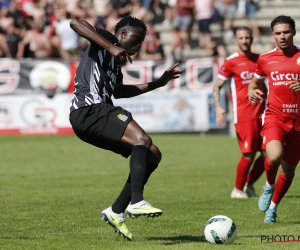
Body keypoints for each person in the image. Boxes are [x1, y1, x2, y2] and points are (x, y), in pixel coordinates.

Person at [69, 16, 182, 240]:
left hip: (92, 117)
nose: (138, 46)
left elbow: (119, 92)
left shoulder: (115, 61)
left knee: (152, 154)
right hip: (89, 109)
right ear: (122, 34)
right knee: (142, 139)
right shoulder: (108, 40)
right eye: (136, 39)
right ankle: (137, 201)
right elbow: (75, 23)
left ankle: (116, 210)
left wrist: (158, 83)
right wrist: (110, 45)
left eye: (141, 42)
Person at [248, 15, 300, 223]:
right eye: (278, 33)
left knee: (288, 171)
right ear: (273, 35)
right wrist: (251, 92)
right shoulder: (265, 59)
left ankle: (273, 208)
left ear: (294, 32)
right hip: (274, 117)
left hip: (298, 123)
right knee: (275, 156)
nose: (282, 36)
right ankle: (268, 186)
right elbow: (254, 84)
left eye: (286, 32)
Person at [213, 26, 265, 199]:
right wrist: (219, 107)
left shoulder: (261, 60)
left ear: (252, 39)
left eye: (247, 37)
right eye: (241, 38)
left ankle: (249, 186)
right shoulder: (230, 62)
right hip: (244, 116)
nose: (244, 41)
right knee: (249, 154)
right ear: (235, 40)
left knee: (270, 154)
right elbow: (217, 87)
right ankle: (237, 189)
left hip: (264, 114)